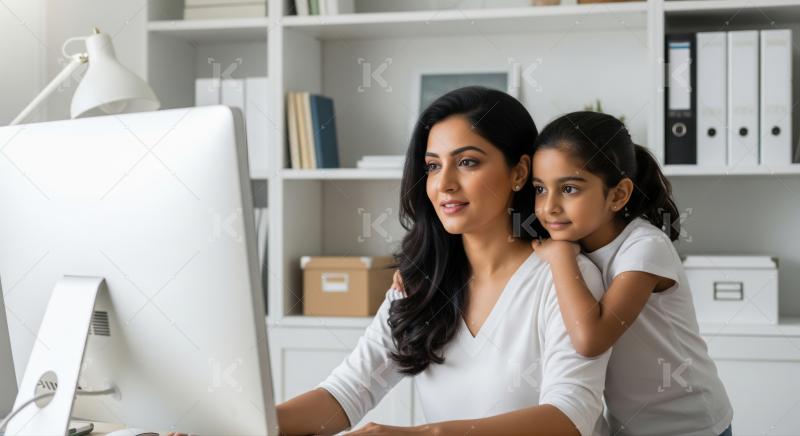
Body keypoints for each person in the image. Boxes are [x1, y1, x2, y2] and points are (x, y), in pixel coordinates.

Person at [276, 88, 611, 435]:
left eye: (467, 162)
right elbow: (347, 392)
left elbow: (570, 418)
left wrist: (424, 434)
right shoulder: (419, 282)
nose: (445, 184)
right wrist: (257, 422)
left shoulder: (566, 277)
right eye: (434, 166)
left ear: (519, 172)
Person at [529, 111, 733, 436]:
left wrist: (560, 257)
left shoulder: (645, 246)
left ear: (618, 195)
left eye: (569, 189)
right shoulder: (575, 241)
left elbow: (591, 339)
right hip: (629, 427)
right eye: (540, 189)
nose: (548, 206)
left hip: (692, 426)